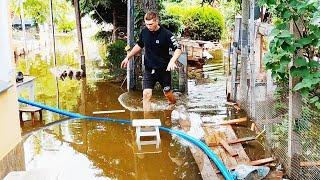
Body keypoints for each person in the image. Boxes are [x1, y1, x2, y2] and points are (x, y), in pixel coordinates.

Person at [121, 11, 182, 110]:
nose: (148, 26)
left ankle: (174, 105)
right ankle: (147, 120)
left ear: (157, 21)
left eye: (150, 24)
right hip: (149, 69)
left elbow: (178, 49)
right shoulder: (144, 32)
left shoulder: (167, 34)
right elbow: (139, 45)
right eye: (146, 24)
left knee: (167, 94)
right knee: (146, 94)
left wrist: (172, 61)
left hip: (164, 70)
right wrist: (128, 57)